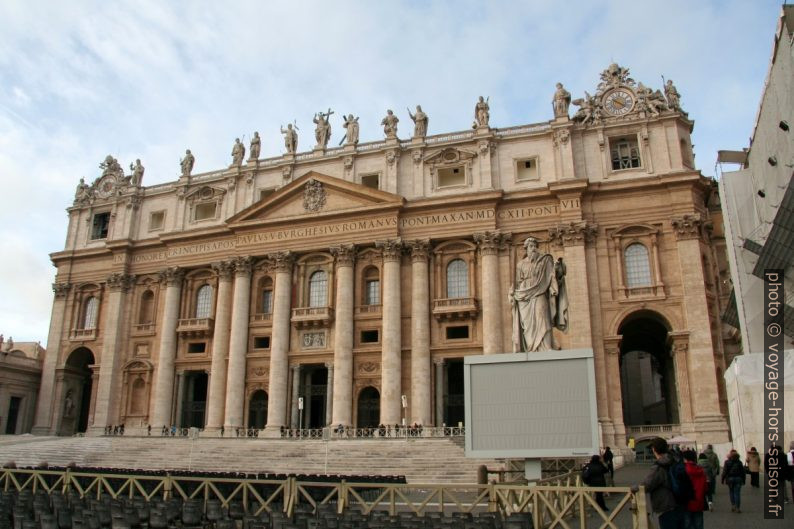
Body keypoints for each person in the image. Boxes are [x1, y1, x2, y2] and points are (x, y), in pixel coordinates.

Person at [509, 237, 567, 352]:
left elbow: (552, 275)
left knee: (543, 317)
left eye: (535, 246)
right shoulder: (520, 265)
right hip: (524, 296)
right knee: (527, 325)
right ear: (526, 249)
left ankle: (546, 346)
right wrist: (513, 294)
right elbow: (517, 282)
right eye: (531, 246)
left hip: (540, 292)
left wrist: (558, 268)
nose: (534, 249)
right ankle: (531, 348)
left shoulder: (543, 262)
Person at [639, 437, 679, 529]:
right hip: (679, 500)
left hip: (665, 504)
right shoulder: (674, 459)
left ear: (654, 449)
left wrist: (633, 488)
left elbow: (647, 485)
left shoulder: (659, 466)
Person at [683, 450, 707, 529]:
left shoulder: (683, 470)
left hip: (687, 502)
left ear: (685, 459)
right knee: (699, 524)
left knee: (687, 524)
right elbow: (705, 487)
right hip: (699, 501)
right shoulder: (700, 470)